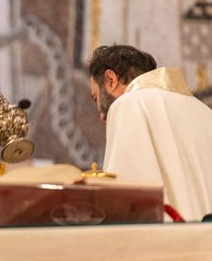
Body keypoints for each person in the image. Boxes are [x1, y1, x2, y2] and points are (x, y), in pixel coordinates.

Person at [88, 44, 212, 222]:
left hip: (174, 244)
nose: (101, 115)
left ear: (110, 80)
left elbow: (126, 200)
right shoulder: (203, 110)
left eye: (95, 98)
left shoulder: (128, 104)